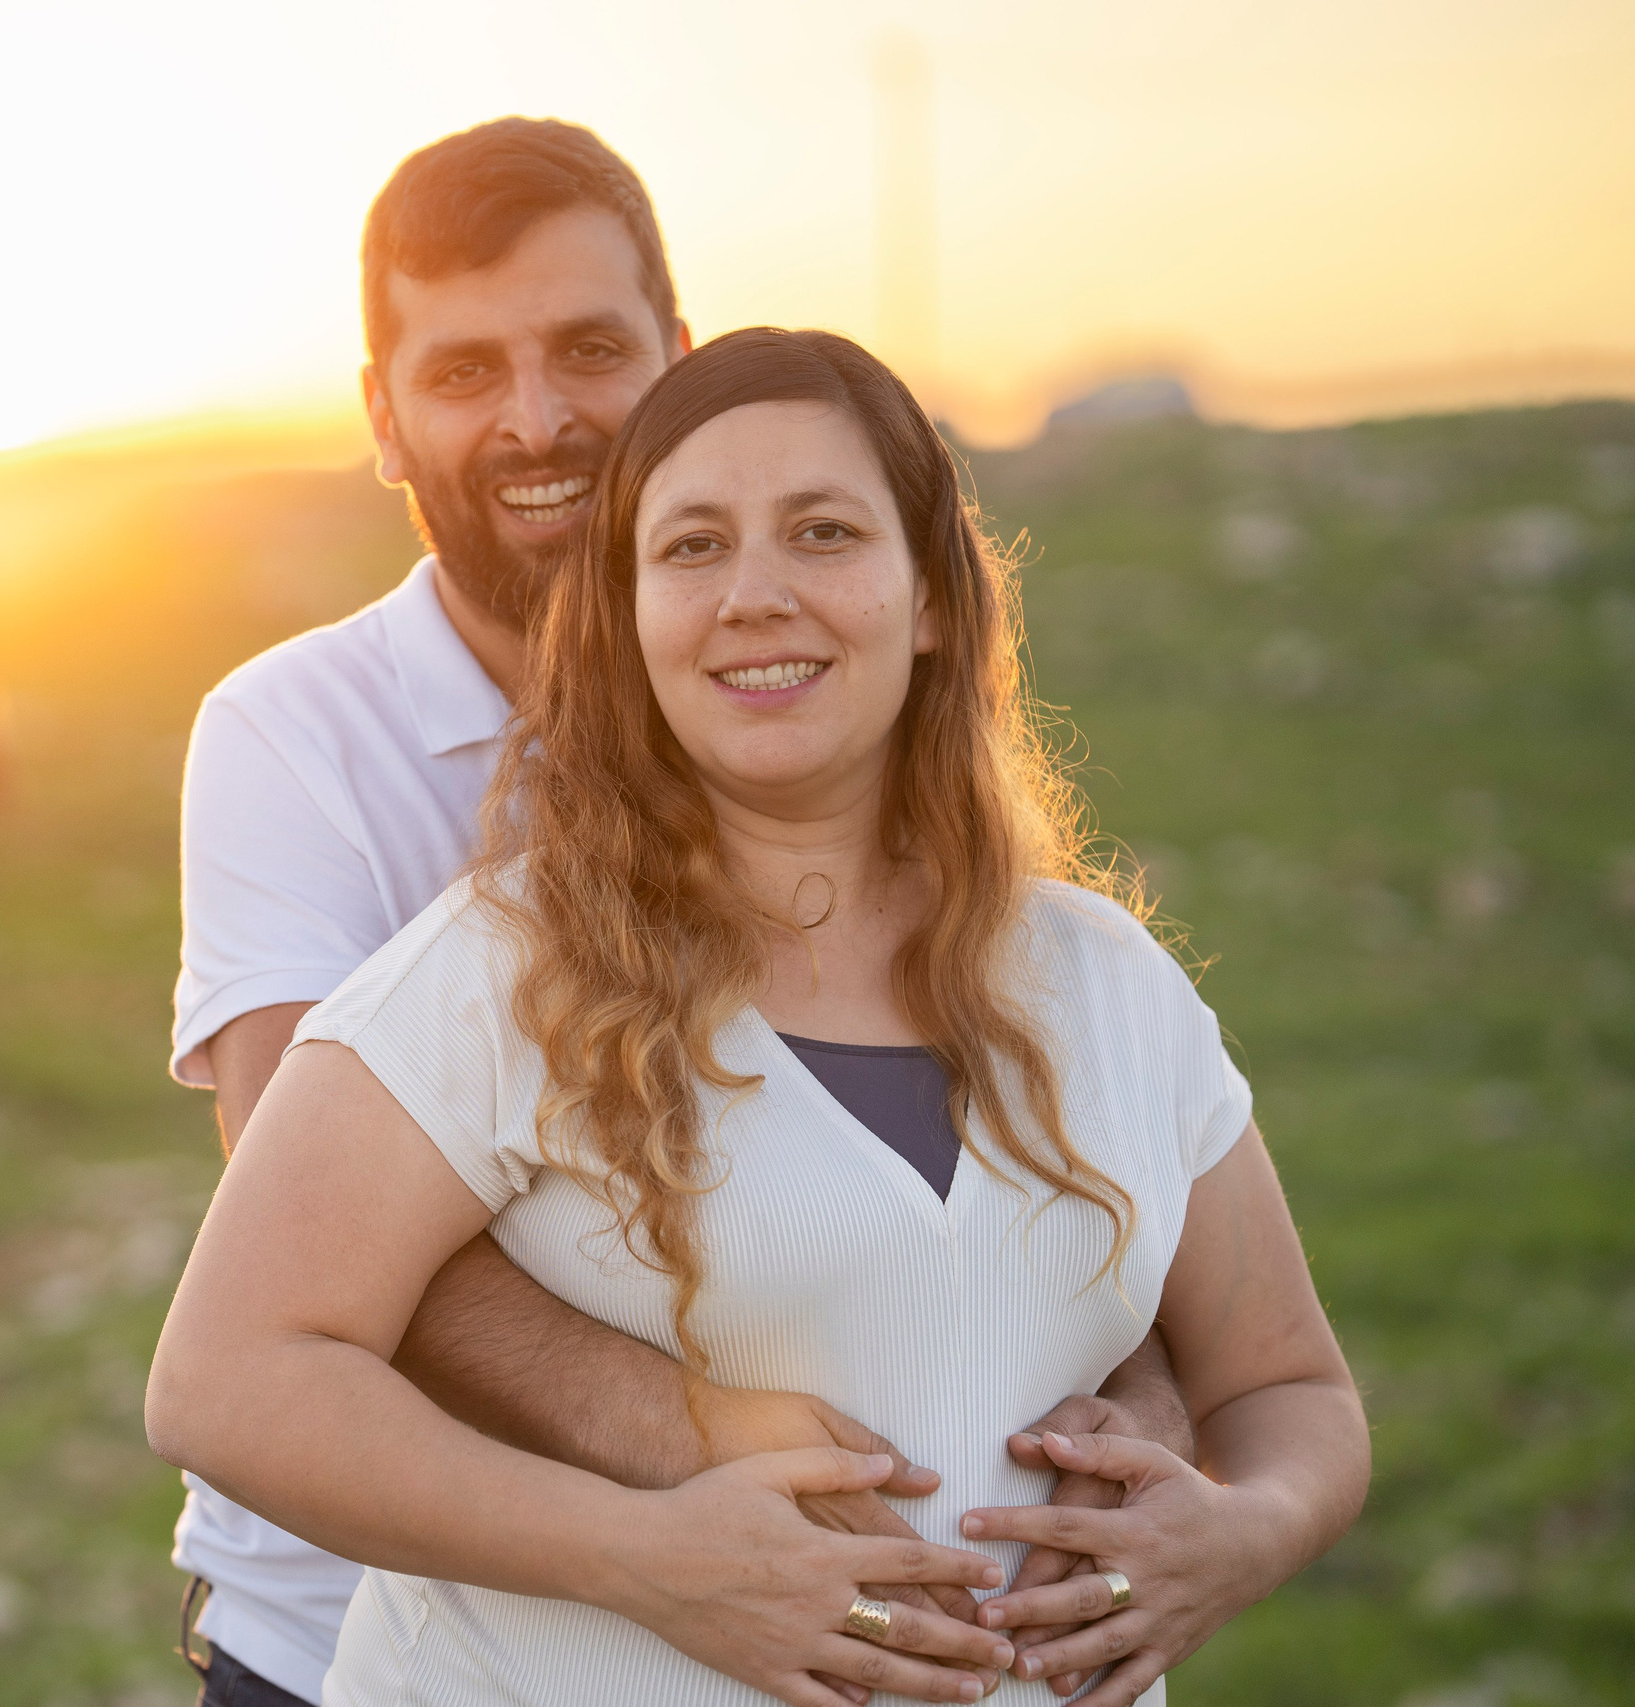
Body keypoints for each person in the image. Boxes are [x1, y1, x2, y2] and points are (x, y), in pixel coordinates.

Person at [149, 328, 1371, 1704]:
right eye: (691, 548)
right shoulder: (501, 964)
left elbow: (1291, 1389)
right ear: (626, 618)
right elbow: (227, 1378)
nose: (755, 594)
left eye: (823, 531)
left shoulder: (1108, 980)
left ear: (929, 596)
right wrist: (641, 1553)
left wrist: (1242, 1532)